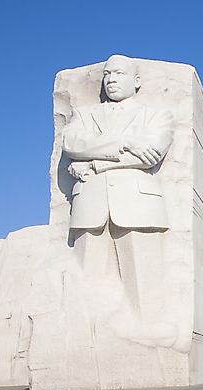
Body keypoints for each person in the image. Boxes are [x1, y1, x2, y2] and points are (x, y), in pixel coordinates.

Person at [62, 54, 174, 322]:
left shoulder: (157, 115)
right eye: (107, 74)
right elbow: (73, 144)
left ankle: (150, 336)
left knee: (145, 292)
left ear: (136, 81)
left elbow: (150, 155)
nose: (111, 79)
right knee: (85, 289)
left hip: (139, 207)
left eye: (119, 74)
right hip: (90, 206)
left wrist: (95, 164)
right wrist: (124, 140)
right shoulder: (85, 115)